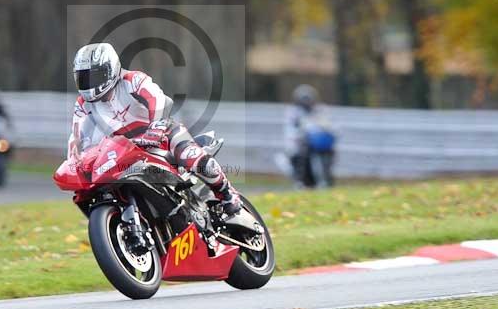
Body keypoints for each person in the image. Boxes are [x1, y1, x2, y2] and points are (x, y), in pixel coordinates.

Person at [68, 42, 242, 215]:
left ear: (110, 69)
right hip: (123, 150)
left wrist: (155, 127)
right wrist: (76, 161)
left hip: (160, 133)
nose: (89, 83)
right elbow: (78, 136)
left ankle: (227, 193)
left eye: (94, 76)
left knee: (189, 155)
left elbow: (157, 99)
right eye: (83, 78)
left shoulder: (132, 80)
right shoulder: (82, 105)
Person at [285, 84, 335, 188]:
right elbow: (292, 129)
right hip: (299, 143)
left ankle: (327, 178)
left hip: (316, 141)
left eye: (308, 99)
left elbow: (328, 124)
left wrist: (327, 131)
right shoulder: (294, 112)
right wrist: (301, 134)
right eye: (304, 100)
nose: (306, 102)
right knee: (302, 154)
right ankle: (300, 180)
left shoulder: (320, 110)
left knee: (329, 152)